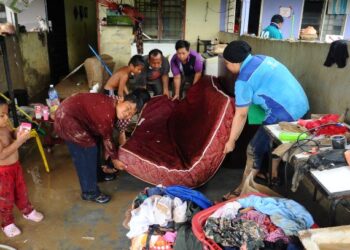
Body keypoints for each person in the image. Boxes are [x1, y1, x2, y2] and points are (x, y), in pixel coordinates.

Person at [222, 41, 309, 199]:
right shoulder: (262, 59)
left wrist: (231, 141)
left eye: (226, 63)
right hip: (302, 104)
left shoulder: (243, 81)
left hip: (285, 113)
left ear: (235, 62)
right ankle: (273, 174)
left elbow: (241, 114)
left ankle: (242, 190)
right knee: (272, 139)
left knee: (253, 149)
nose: (226, 66)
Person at [54, 89, 150, 204]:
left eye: (131, 113)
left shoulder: (113, 105)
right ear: (121, 100)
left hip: (77, 118)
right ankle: (89, 192)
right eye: (128, 108)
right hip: (66, 119)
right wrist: (115, 160)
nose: (127, 114)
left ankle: (98, 175)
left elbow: (107, 136)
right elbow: (108, 139)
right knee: (87, 152)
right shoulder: (106, 113)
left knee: (96, 141)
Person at [0, 97, 44, 237]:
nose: (6, 118)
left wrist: (17, 132)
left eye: (7, 114)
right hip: (3, 172)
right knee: (5, 197)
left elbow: (11, 133)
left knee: (21, 190)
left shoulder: (5, 124)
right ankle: (7, 223)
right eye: (2, 115)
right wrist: (19, 141)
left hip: (15, 167)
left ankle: (27, 210)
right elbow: (2, 155)